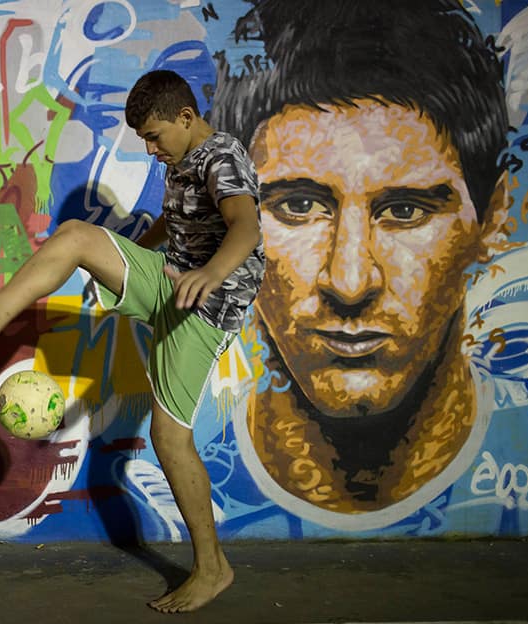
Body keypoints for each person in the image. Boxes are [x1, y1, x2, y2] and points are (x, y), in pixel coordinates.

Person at [0, 68, 266, 612]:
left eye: (155, 137)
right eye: (143, 141)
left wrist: (211, 274)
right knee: (79, 237)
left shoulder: (221, 156)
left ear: (186, 117)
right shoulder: (182, 160)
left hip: (204, 304)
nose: (151, 150)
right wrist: (126, 252)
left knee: (170, 442)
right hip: (173, 284)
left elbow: (245, 227)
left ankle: (213, 568)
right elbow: (172, 228)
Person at [208, 0, 510, 525]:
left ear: (492, 220)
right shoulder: (176, 463)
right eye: (298, 206)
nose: (349, 283)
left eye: (405, 210)